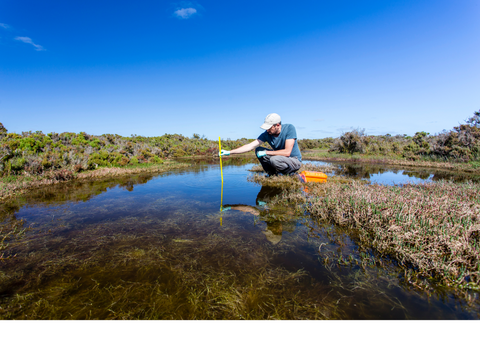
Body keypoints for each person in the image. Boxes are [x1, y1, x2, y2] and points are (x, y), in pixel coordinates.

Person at [219, 113, 302, 176]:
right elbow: (249, 146)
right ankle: (272, 174)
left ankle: (290, 174)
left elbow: (287, 152)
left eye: (269, 127)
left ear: (277, 125)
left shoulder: (289, 128)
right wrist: (229, 152)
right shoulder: (267, 134)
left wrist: (266, 152)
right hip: (280, 158)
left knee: (274, 160)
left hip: (294, 160)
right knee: (258, 150)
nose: (267, 130)